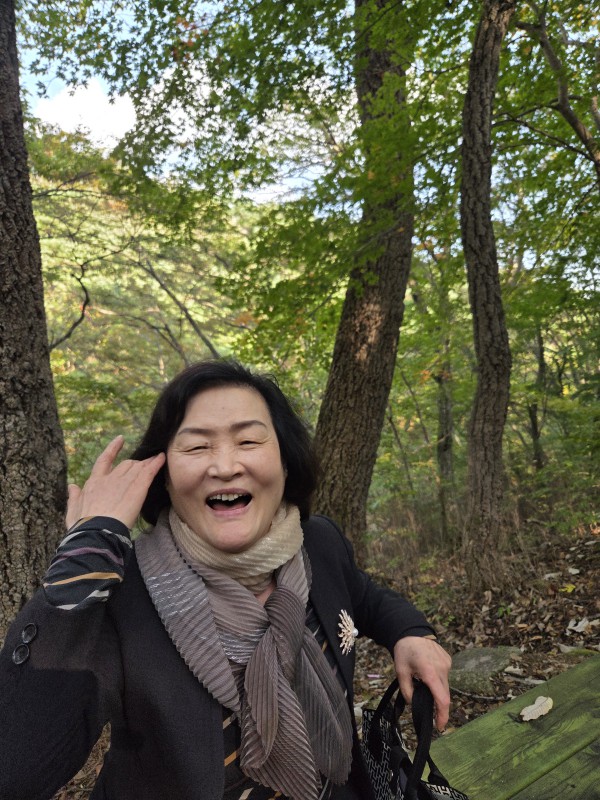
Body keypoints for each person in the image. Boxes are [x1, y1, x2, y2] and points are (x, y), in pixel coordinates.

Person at [0, 359, 451, 800]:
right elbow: (16, 771)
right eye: (197, 447)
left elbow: (366, 596)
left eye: (248, 441)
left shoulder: (317, 543)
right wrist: (85, 555)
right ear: (165, 477)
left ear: (285, 461)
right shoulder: (119, 595)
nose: (225, 466)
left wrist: (411, 633)